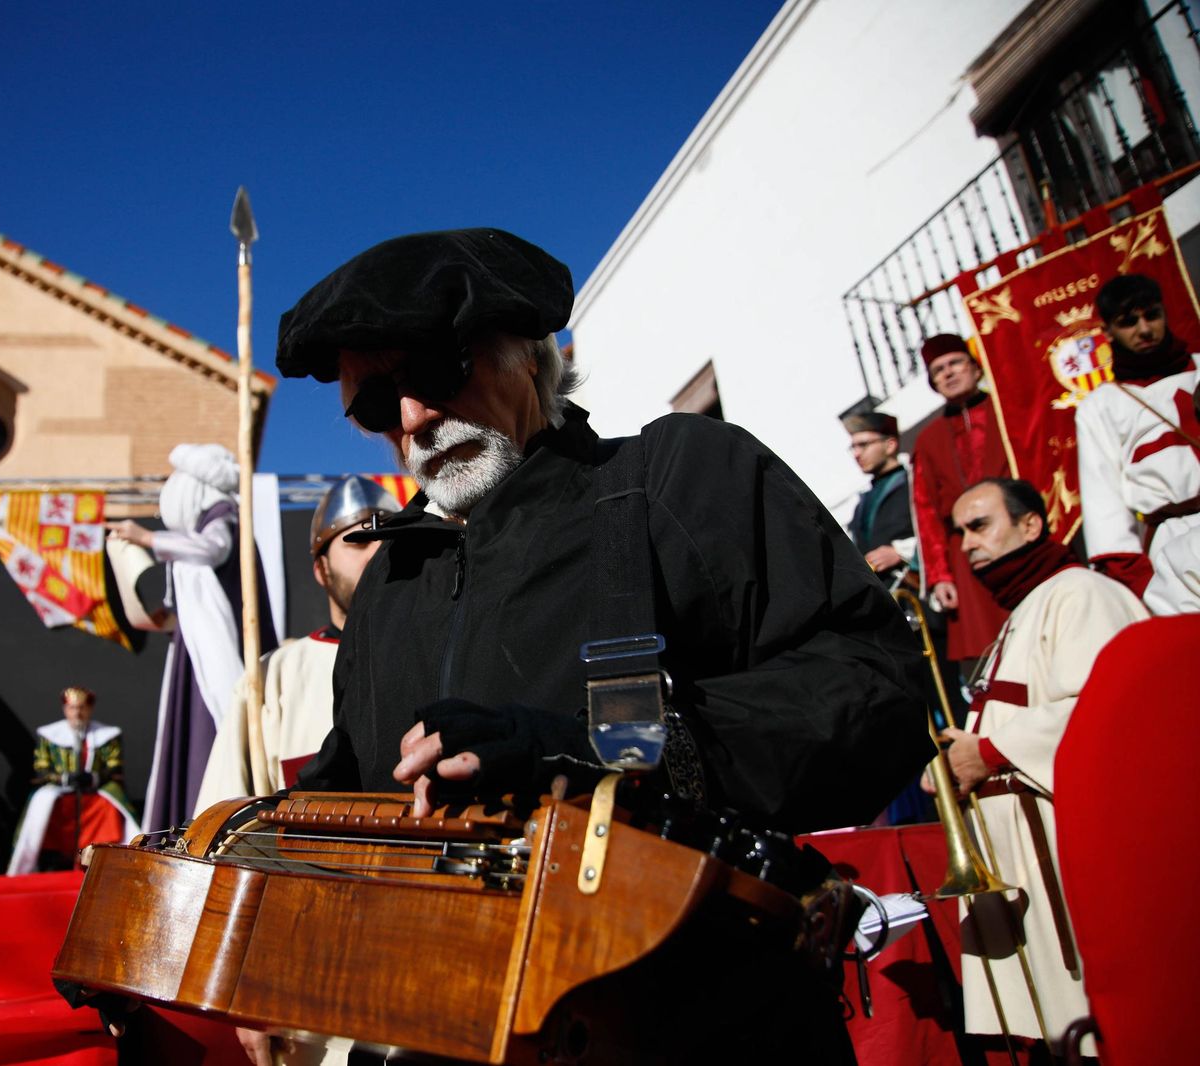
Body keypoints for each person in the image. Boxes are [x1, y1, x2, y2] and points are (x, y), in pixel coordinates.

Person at [273, 227, 929, 1060]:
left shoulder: (676, 478)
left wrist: (622, 750)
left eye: (438, 371)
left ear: (531, 354)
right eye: (374, 404)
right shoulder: (389, 589)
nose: (413, 417)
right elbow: (348, 802)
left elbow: (877, 685)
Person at [929, 477, 1147, 1052]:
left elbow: (1111, 708)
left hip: (1066, 846)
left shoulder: (1080, 593)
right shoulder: (1024, 610)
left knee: (1098, 1027)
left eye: (980, 525)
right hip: (1021, 851)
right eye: (959, 533)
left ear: (1031, 525)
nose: (967, 545)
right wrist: (958, 754)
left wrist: (991, 752)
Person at [194, 475, 400, 810]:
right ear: (321, 569)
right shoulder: (271, 676)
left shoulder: (433, 654)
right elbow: (220, 821)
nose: (378, 552)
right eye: (360, 540)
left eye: (388, 540)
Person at [107, 444, 278, 830]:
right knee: (189, 728)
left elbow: (213, 551)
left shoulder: (222, 516)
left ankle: (208, 820)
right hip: (195, 645)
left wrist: (148, 539)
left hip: (217, 649)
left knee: (207, 729)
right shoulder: (208, 522)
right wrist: (168, 617)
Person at [1076, 272, 1200, 614]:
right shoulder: (1099, 406)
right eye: (1128, 321)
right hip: (1172, 547)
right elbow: (1105, 507)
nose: (1144, 329)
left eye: (1152, 315)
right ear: (1108, 332)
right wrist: (1143, 584)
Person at [910, 333, 1014, 666]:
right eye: (938, 370)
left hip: (1018, 539)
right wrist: (940, 576)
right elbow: (926, 511)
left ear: (974, 367)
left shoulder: (1009, 411)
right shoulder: (927, 440)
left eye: (955, 363)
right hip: (966, 556)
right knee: (990, 659)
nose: (948, 373)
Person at [8, 686, 138, 875]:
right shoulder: (49, 736)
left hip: (95, 790)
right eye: (72, 708)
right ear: (65, 709)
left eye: (81, 708)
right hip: (60, 790)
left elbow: (114, 766)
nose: (77, 712)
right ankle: (50, 857)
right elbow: (42, 767)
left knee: (108, 806)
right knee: (43, 806)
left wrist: (94, 778)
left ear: (89, 709)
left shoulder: (107, 736)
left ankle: (101, 853)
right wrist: (63, 778)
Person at [842, 411, 917, 587]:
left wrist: (900, 553)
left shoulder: (914, 483)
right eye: (853, 447)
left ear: (890, 445)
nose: (857, 454)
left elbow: (939, 534)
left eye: (863, 445)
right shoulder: (862, 502)